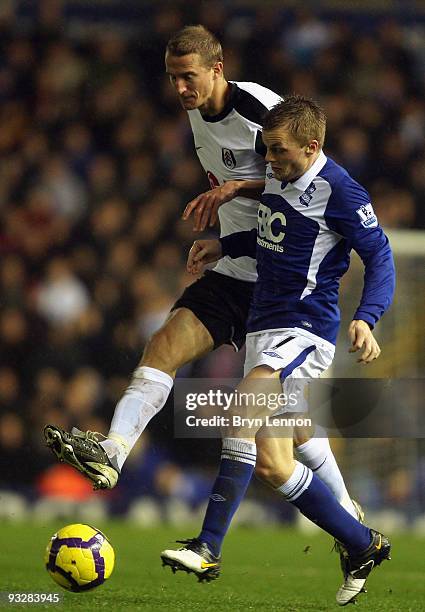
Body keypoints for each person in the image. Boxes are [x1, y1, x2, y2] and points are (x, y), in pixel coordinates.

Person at [44, 23, 356, 555]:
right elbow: (240, 200)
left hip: (284, 282)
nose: (180, 89)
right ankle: (112, 452)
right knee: (165, 343)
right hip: (239, 268)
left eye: (188, 77)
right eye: (172, 78)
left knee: (290, 429)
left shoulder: (259, 107)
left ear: (218, 68)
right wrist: (224, 241)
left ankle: (347, 516)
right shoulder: (195, 116)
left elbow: (313, 173)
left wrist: (240, 186)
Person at [160, 95, 395, 606]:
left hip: (304, 329)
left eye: (278, 151)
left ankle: (208, 546)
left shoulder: (341, 191)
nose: (269, 160)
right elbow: (275, 239)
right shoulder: (280, 179)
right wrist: (226, 246)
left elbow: (381, 257)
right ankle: (359, 540)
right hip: (265, 330)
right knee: (274, 461)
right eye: (266, 150)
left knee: (241, 410)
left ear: (312, 146)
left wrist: (366, 318)